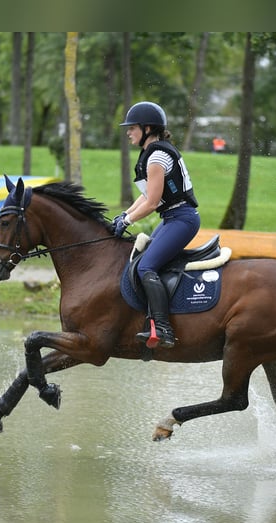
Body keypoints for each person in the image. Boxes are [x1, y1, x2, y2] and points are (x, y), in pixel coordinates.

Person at [113, 101, 200, 348]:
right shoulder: (150, 155)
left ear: (147, 128)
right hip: (172, 218)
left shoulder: (157, 157)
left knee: (145, 267)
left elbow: (151, 203)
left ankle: (163, 329)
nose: (128, 132)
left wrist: (128, 221)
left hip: (182, 219)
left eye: (132, 127)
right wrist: (123, 215)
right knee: (142, 260)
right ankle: (151, 320)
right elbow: (146, 195)